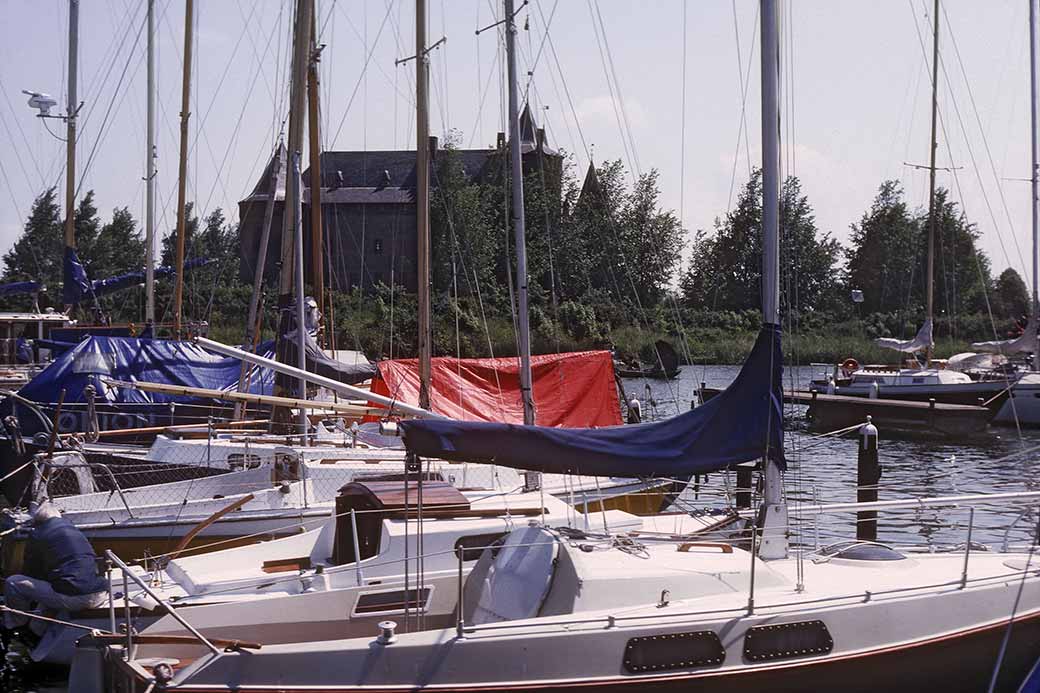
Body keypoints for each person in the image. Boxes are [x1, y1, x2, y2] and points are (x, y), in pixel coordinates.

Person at [2, 501, 107, 655]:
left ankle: (15, 625)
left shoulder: (38, 533)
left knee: (13, 582)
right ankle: (34, 635)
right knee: (52, 593)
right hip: (98, 593)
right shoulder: (73, 529)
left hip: (74, 596)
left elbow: (30, 571)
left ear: (38, 521)